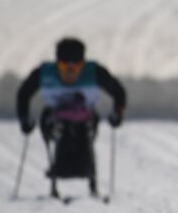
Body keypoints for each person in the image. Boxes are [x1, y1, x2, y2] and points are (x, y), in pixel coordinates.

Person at [16, 37, 127, 198]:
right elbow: (24, 94)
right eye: (64, 66)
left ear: (82, 64)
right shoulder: (44, 72)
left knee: (86, 133)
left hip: (86, 117)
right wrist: (24, 119)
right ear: (57, 64)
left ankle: (91, 180)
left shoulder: (95, 72)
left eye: (76, 67)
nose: (70, 72)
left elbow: (119, 92)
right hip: (54, 116)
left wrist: (118, 114)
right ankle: (55, 178)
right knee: (53, 127)